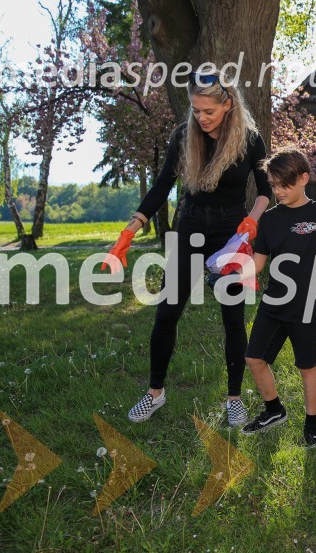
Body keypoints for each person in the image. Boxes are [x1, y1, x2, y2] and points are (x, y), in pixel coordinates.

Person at [102, 70, 272, 427]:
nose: (201, 118)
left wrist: (253, 219)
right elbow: (163, 185)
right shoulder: (184, 136)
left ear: (228, 105)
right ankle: (155, 394)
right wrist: (130, 230)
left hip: (231, 232)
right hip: (191, 226)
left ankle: (235, 399)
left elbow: (265, 190)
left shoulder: (249, 139)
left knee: (232, 317)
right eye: (195, 110)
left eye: (208, 111)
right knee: (167, 312)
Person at [238, 148, 316, 448]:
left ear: (303, 179)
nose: (278, 191)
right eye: (273, 185)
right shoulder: (270, 220)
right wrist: (229, 273)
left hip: (307, 307)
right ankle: (274, 410)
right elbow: (258, 264)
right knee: (254, 358)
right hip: (273, 305)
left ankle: (312, 422)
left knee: (307, 367)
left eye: (284, 184)